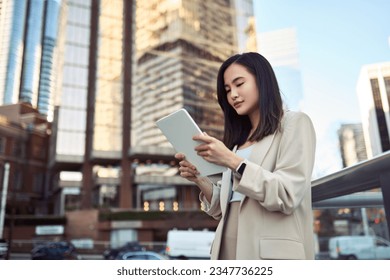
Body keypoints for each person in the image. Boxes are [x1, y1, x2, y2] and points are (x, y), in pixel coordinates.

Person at [175, 52, 316, 260]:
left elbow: (286, 194)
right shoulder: (237, 143)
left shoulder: (295, 124)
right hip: (227, 252)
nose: (233, 95)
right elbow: (223, 210)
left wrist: (231, 161)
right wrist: (199, 179)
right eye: (227, 89)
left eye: (239, 84)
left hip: (269, 256)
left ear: (262, 81)